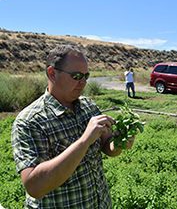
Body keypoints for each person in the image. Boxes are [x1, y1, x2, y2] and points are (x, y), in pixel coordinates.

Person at [11, 45, 135, 208]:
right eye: (76, 76)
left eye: (86, 76)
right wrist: (84, 141)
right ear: (52, 73)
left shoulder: (88, 106)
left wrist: (119, 143)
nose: (83, 82)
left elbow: (107, 145)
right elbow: (35, 187)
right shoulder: (29, 121)